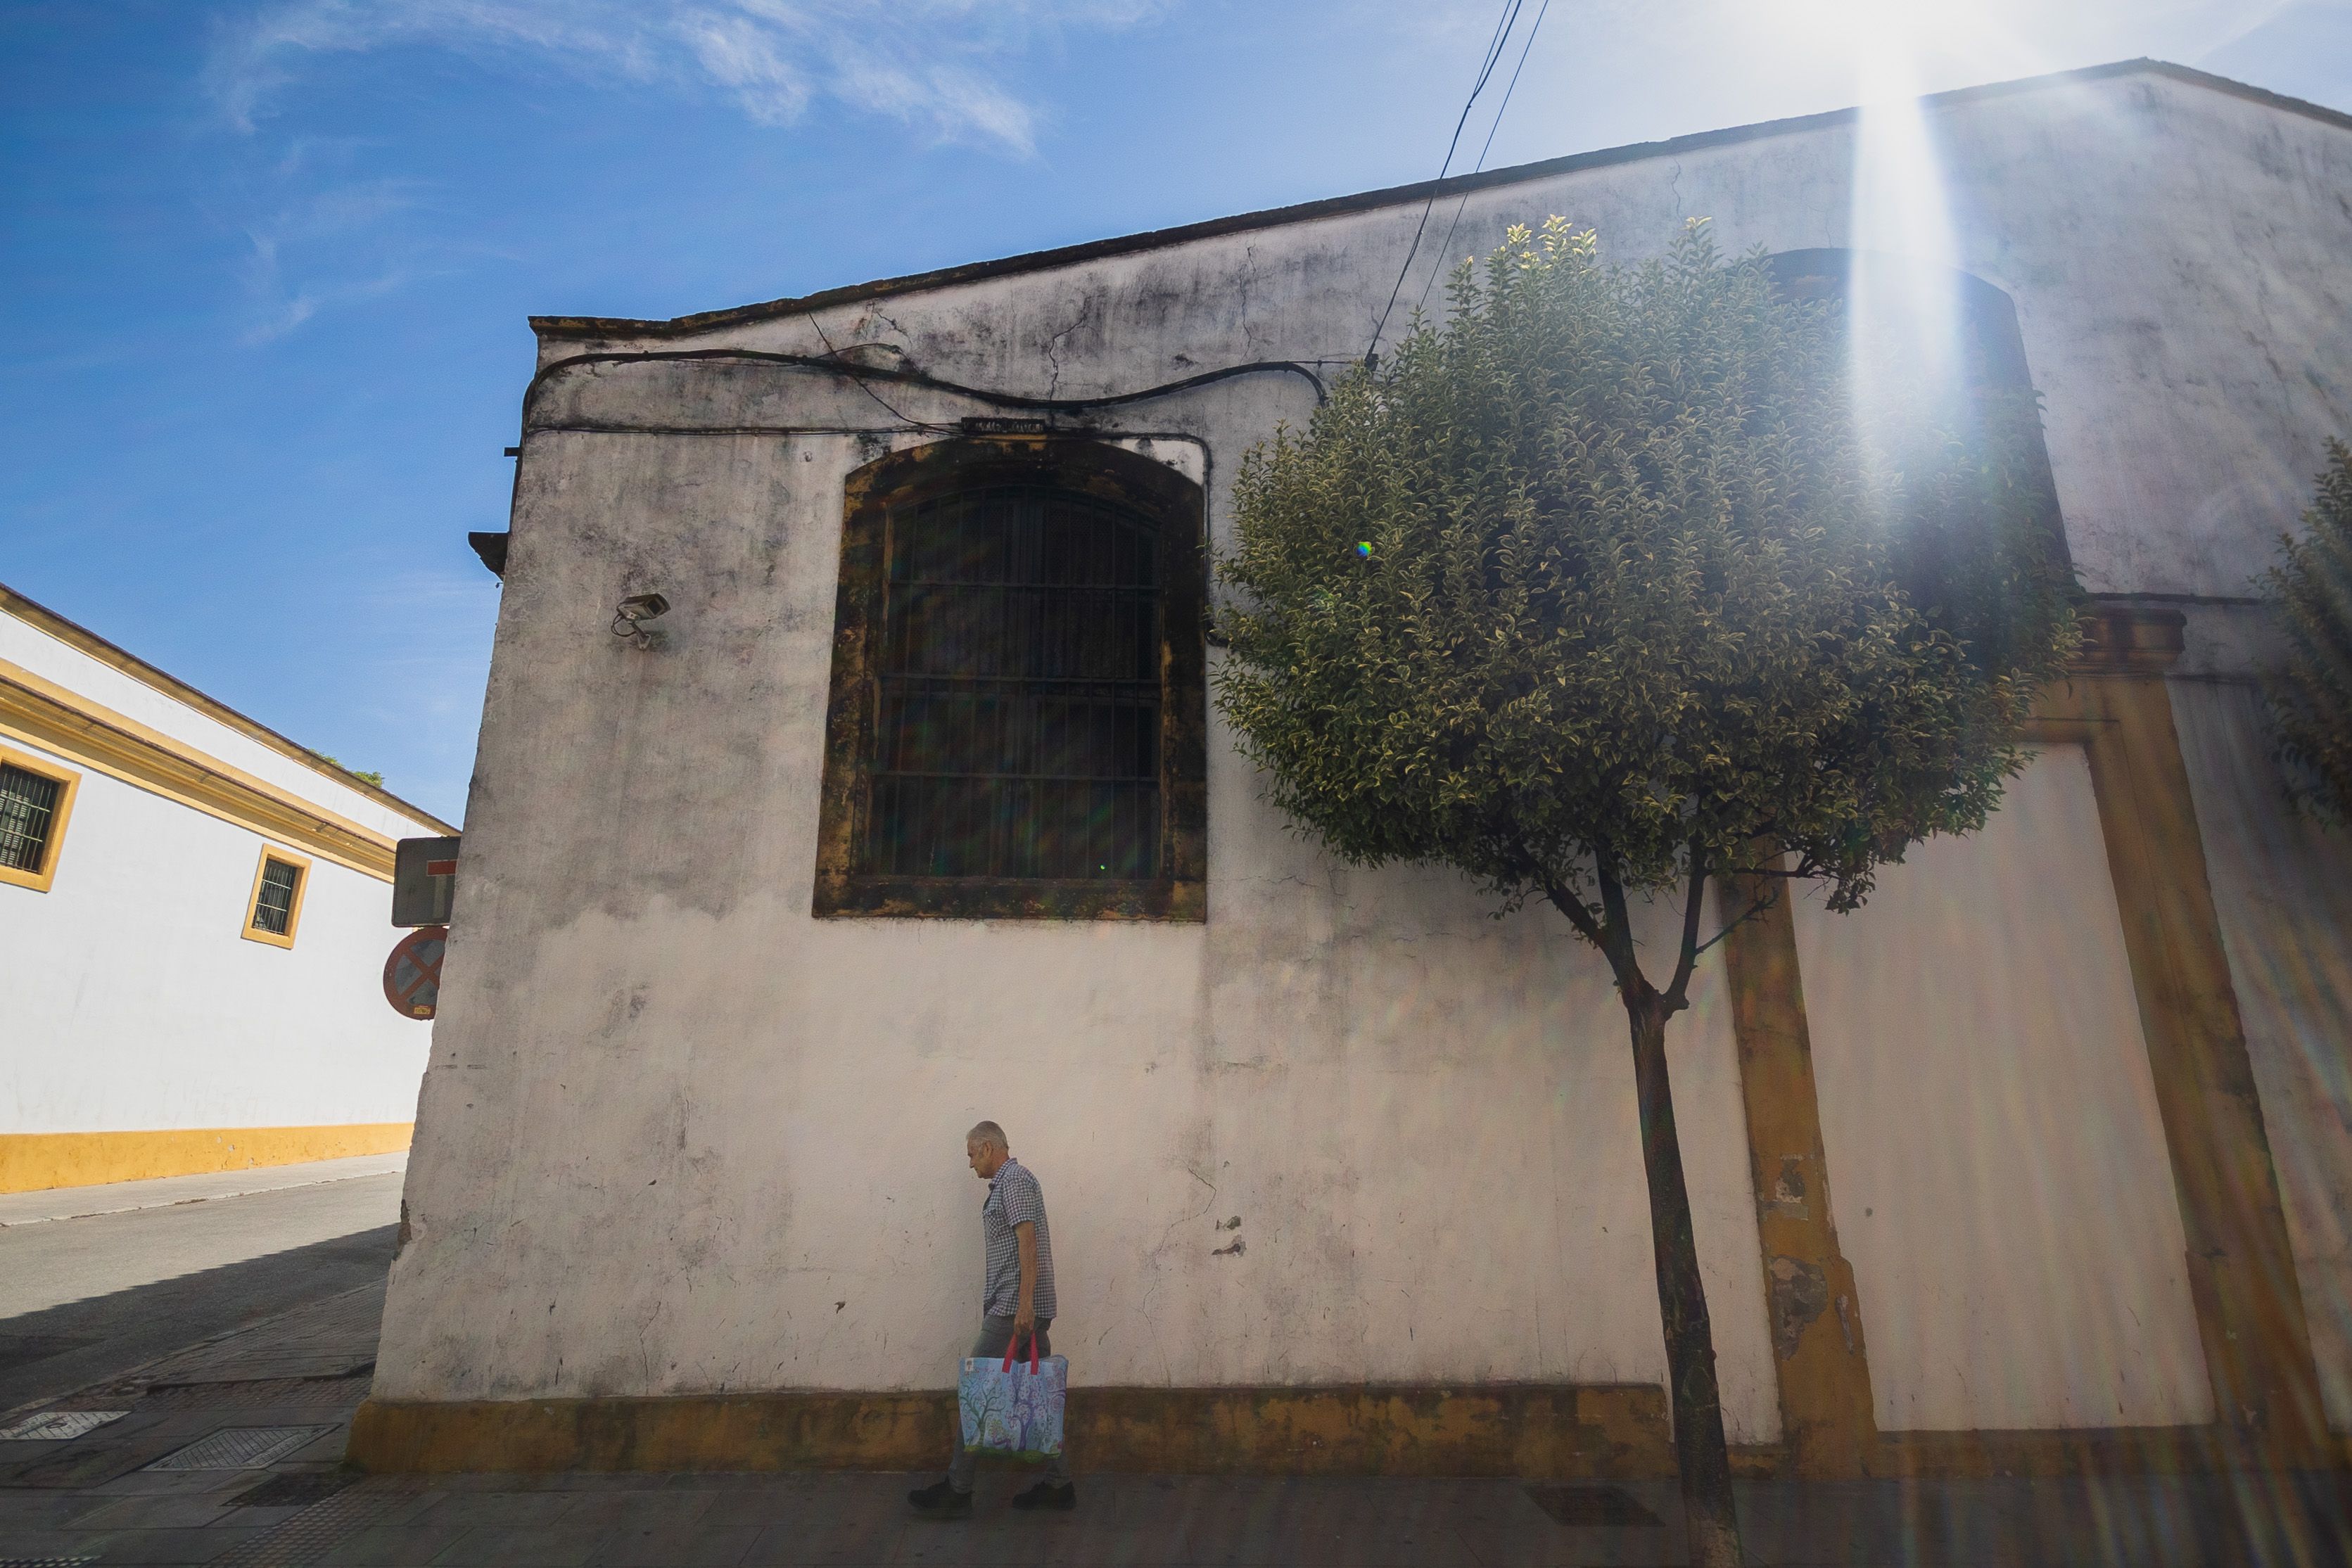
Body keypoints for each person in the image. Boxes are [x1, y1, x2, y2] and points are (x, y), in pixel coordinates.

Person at [908, 1121, 1076, 1517]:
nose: (970, 1165)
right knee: (1041, 1396)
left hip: (1011, 1311)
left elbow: (1027, 1240)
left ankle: (958, 1489)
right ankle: (1059, 1485)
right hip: (1020, 1308)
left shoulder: (1013, 1180)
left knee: (976, 1391)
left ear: (987, 1148)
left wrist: (1024, 1306)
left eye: (971, 1154)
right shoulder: (1011, 1182)